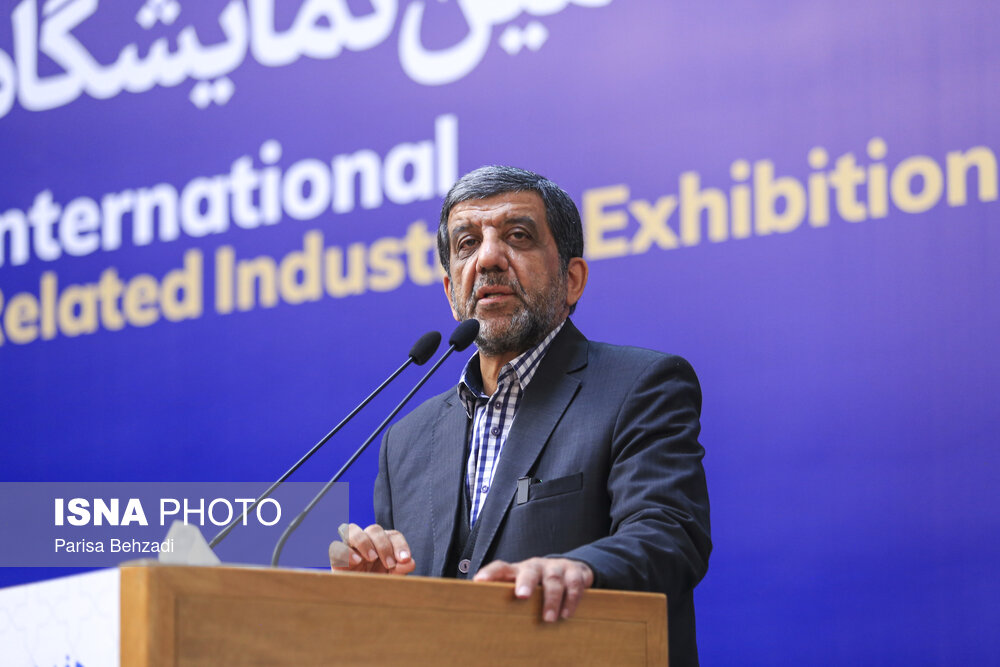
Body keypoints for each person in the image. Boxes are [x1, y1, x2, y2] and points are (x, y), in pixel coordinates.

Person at [330, 165, 711, 665]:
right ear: (450, 292)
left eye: (517, 236)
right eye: (467, 243)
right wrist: (378, 594)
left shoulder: (639, 385)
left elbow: (669, 535)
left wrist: (581, 570)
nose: (488, 258)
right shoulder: (406, 439)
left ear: (572, 280)